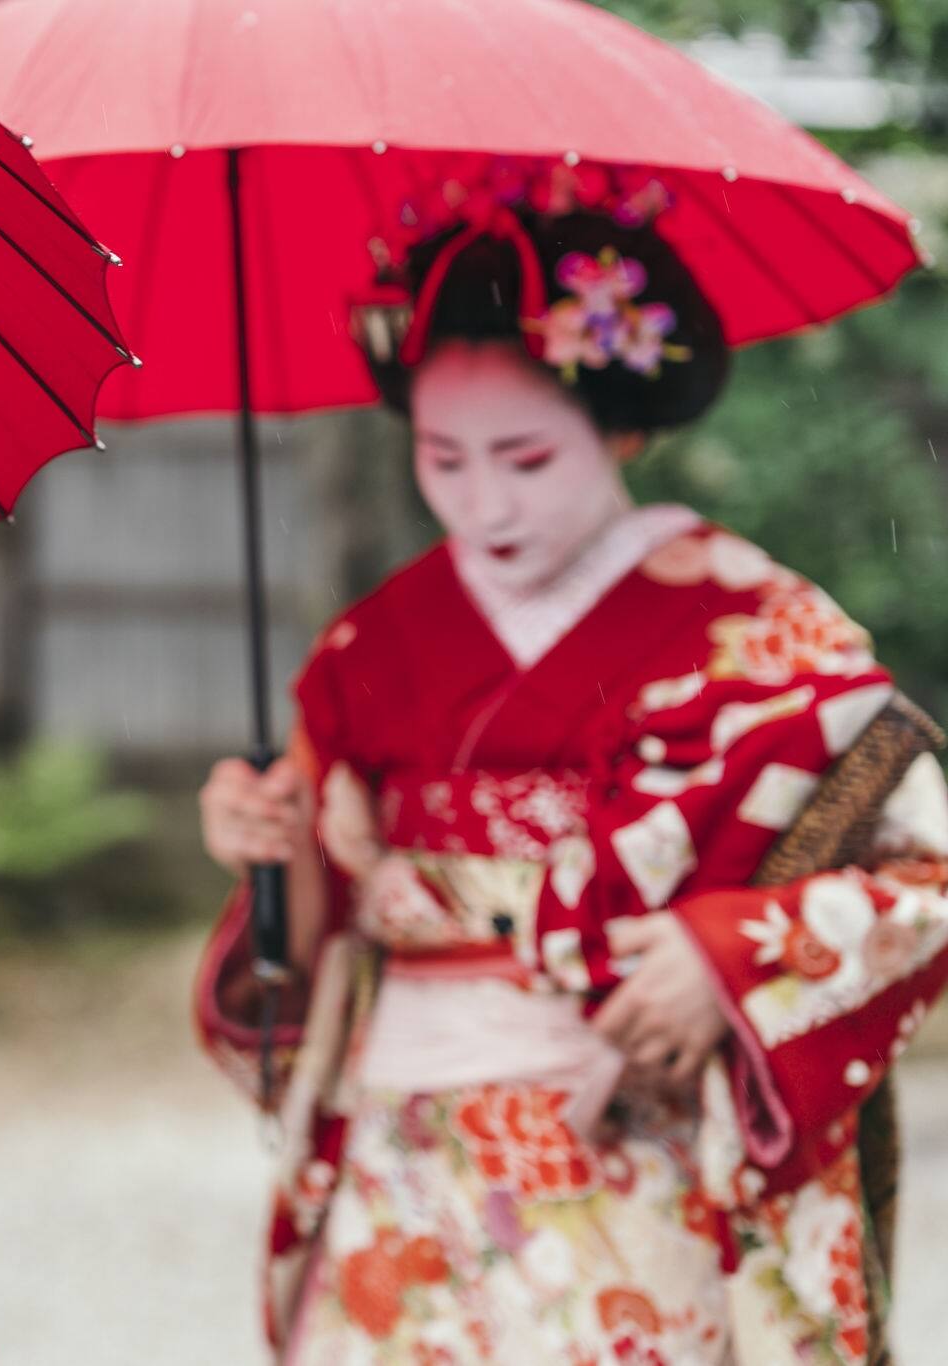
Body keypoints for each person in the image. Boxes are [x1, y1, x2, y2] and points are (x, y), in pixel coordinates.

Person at [195, 178, 948, 1363]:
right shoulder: (369, 649)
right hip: (406, 1143)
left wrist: (725, 958)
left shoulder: (758, 630)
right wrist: (270, 840)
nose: (481, 499)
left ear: (622, 427)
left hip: (637, 1140)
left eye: (526, 456)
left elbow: (924, 877)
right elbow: (322, 927)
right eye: (443, 457)